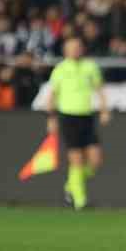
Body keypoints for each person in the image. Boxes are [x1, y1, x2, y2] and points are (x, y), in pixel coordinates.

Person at [46, 37, 111, 209]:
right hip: (68, 117)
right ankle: (80, 201)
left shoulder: (90, 67)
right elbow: (52, 95)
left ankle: (71, 185)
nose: (75, 50)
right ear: (65, 51)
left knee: (96, 160)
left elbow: (100, 89)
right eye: (71, 47)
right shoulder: (60, 69)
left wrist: (104, 110)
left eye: (77, 47)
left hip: (87, 117)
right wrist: (51, 118)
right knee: (76, 160)